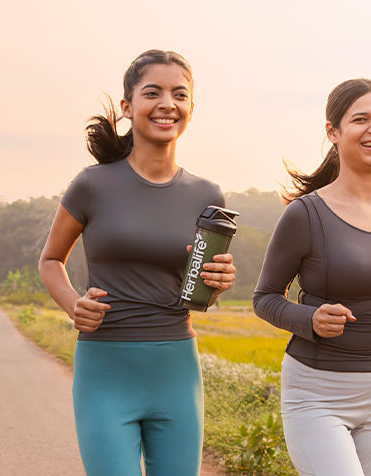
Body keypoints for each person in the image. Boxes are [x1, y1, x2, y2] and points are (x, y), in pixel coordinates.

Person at [38, 49, 237, 476]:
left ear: (190, 109)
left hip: (176, 370)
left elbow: (202, 291)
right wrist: (74, 305)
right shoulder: (93, 184)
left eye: (179, 94)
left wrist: (218, 282)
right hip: (105, 370)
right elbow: (51, 260)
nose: (167, 103)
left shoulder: (207, 196)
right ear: (128, 107)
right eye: (153, 93)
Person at [252, 78, 371, 476]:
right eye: (361, 119)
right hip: (317, 394)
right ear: (333, 132)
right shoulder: (306, 214)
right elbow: (265, 297)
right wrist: (309, 319)